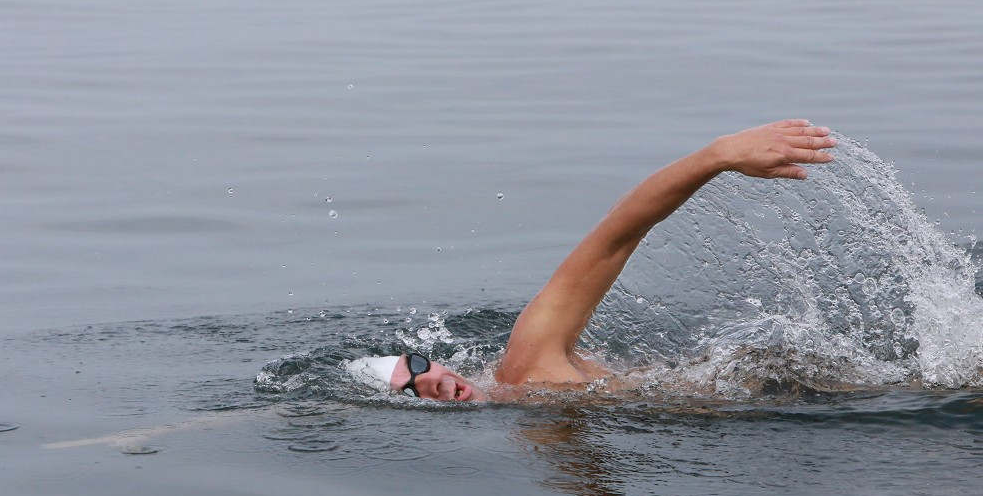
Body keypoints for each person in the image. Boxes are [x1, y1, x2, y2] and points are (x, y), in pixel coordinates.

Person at [347, 120, 837, 402]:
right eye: (411, 389)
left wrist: (717, 156)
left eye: (416, 365)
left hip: (785, 393)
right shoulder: (525, 412)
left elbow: (613, 236)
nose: (430, 380)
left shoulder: (525, 364)